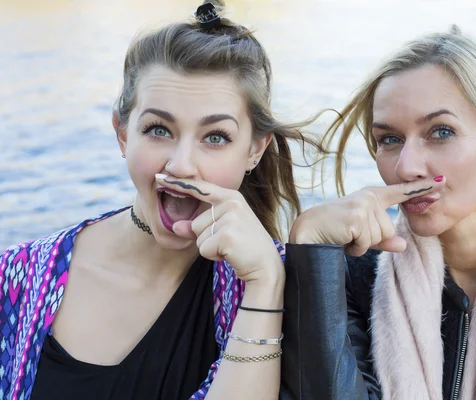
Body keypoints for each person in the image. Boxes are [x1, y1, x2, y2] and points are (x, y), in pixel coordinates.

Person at [0, 2, 321, 399]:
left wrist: (265, 281)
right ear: (122, 134)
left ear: (254, 150)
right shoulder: (18, 276)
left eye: (215, 137)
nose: (182, 165)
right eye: (158, 130)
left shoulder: (290, 287)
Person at [280, 26, 476, 400]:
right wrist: (311, 253)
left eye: (441, 132)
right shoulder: (350, 278)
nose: (406, 167)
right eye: (390, 139)